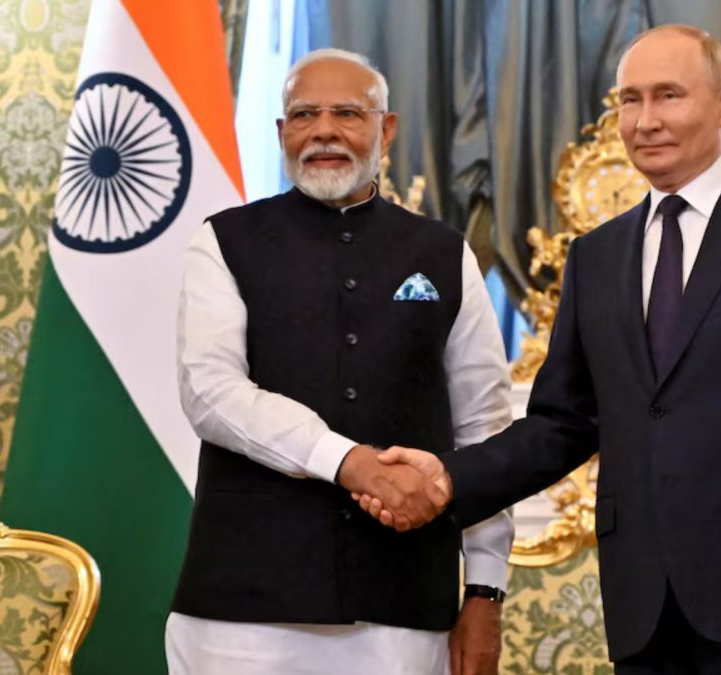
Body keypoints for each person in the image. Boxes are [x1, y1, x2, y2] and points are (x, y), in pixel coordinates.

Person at [358, 25, 721, 674]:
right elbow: (564, 422)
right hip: (643, 600)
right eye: (628, 101)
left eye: (668, 96)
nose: (644, 121)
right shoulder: (597, 254)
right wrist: (449, 477)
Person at [165, 48, 514, 675]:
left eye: (348, 113)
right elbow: (211, 393)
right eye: (304, 115)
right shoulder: (223, 240)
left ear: (386, 129)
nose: (323, 130)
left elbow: (482, 428)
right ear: (281, 133)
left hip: (404, 601)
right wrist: (347, 462)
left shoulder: (443, 252)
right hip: (242, 607)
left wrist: (484, 592)